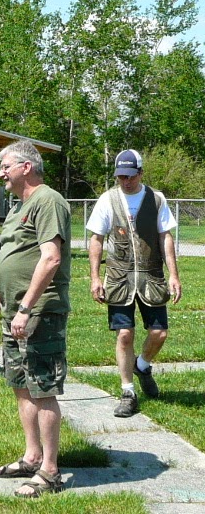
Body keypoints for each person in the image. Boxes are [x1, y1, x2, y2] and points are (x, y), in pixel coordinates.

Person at [0, 140, 70, 498]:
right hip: (12, 311)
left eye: (5, 166)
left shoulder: (48, 201)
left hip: (38, 312)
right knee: (21, 385)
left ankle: (49, 471)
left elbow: (50, 259)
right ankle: (32, 456)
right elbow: (11, 257)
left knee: (43, 388)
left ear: (26, 167)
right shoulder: (19, 206)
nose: (1, 172)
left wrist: (25, 308)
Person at [86, 149, 182, 418]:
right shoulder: (108, 200)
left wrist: (173, 275)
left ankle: (142, 365)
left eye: (129, 176)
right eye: (120, 176)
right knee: (125, 334)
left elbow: (166, 237)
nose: (125, 181)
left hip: (152, 277)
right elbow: (96, 239)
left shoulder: (156, 199)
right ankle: (127, 391)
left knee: (159, 333)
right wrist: (95, 277)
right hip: (119, 278)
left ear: (140, 173)